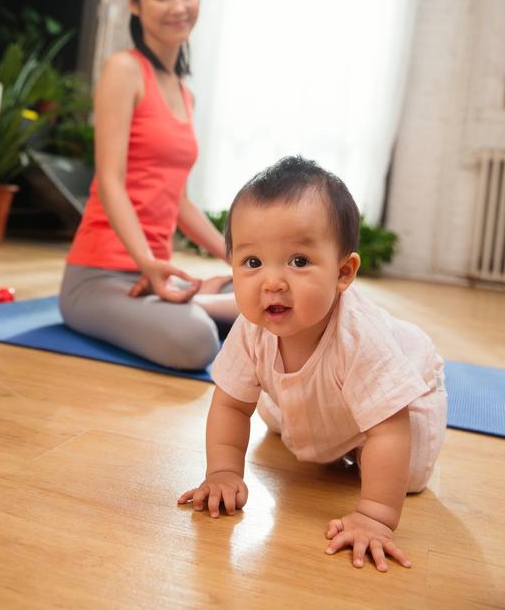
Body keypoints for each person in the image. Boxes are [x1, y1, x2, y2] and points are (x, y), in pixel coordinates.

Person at [178, 155, 447, 572]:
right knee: (282, 411)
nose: (272, 282)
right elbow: (231, 404)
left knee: (405, 474)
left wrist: (375, 516)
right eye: (252, 262)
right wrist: (224, 472)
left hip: (403, 392)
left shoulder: (361, 339)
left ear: (343, 272)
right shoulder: (252, 328)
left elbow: (389, 430)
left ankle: (356, 449)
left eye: (299, 261)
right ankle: (324, 424)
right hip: (329, 393)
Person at [59, 0, 237, 370]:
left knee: (281, 291)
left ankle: (214, 297)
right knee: (196, 341)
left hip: (154, 276)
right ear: (134, 3)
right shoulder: (124, 70)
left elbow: (178, 201)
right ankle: (211, 307)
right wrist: (147, 262)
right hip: (101, 277)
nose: (178, 6)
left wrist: (240, 258)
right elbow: (110, 181)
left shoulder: (184, 93)